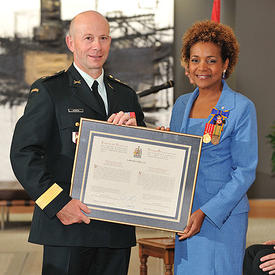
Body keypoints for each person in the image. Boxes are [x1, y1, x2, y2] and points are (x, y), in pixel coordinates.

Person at [10, 10, 145, 275]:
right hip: (67, 228)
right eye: (88, 38)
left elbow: (141, 160)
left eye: (104, 38)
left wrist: (139, 139)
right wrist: (58, 204)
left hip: (115, 230)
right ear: (71, 43)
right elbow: (24, 154)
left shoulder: (126, 96)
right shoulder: (50, 91)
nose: (97, 46)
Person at [169, 20, 258, 274]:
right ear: (187, 64)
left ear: (226, 63)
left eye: (211, 60)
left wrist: (206, 213)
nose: (202, 67)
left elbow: (244, 172)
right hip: (185, 216)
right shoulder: (181, 105)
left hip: (222, 218)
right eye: (195, 60)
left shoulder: (241, 107)